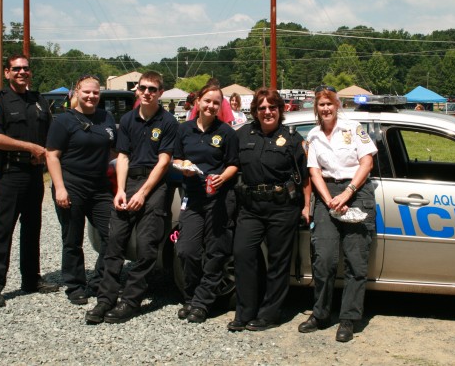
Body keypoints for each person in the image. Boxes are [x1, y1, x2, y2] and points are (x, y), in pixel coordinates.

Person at [85, 71, 178, 325]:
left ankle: (131, 300)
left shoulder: (168, 122)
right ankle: (105, 299)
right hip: (130, 182)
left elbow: (164, 161)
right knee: (114, 243)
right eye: (143, 88)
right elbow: (123, 157)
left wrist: (143, 193)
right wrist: (121, 190)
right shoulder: (127, 120)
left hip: (155, 186)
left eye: (152, 89)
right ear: (137, 90)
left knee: (148, 247)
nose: (147, 93)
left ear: (160, 93)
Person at [298, 85, 377, 343]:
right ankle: (320, 314)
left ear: (337, 105)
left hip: (357, 190)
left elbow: (367, 162)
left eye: (330, 103)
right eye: (321, 104)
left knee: (355, 261)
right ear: (316, 108)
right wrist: (330, 199)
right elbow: (315, 172)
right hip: (327, 193)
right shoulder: (313, 135)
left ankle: (348, 319)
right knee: (325, 259)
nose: (326, 108)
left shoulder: (354, 129)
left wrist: (348, 193)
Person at [228, 88, 310, 332]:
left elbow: (305, 177)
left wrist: (306, 206)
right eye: (262, 107)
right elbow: (231, 165)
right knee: (243, 255)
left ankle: (268, 315)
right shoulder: (242, 135)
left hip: (282, 207)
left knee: (277, 262)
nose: (267, 112)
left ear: (280, 110)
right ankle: (244, 312)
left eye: (272, 107)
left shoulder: (293, 139)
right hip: (250, 207)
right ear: (255, 111)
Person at [0, 54, 58, 308]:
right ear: (7, 73)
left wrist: (45, 153)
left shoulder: (39, 101)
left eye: (26, 68)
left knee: (32, 228)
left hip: (34, 174)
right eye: (16, 69)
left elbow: (50, 135)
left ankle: (31, 279)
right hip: (10, 173)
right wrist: (29, 147)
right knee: (4, 230)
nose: (22, 72)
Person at [45, 75, 116, 305]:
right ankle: (75, 285)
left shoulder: (106, 118)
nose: (91, 96)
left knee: (113, 234)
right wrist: (60, 188)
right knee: (72, 239)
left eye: (95, 92)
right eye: (86, 92)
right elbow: (52, 155)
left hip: (100, 188)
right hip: (72, 185)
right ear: (77, 92)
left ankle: (98, 280)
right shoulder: (64, 121)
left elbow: (115, 152)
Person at [173, 84, 239, 323]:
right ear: (198, 101)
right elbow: (177, 157)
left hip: (219, 199)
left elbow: (234, 163)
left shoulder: (227, 132)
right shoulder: (184, 130)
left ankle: (201, 303)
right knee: (186, 250)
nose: (211, 106)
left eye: (216, 102)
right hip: (192, 198)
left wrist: (223, 176)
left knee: (215, 252)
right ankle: (190, 297)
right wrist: (182, 167)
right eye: (207, 101)